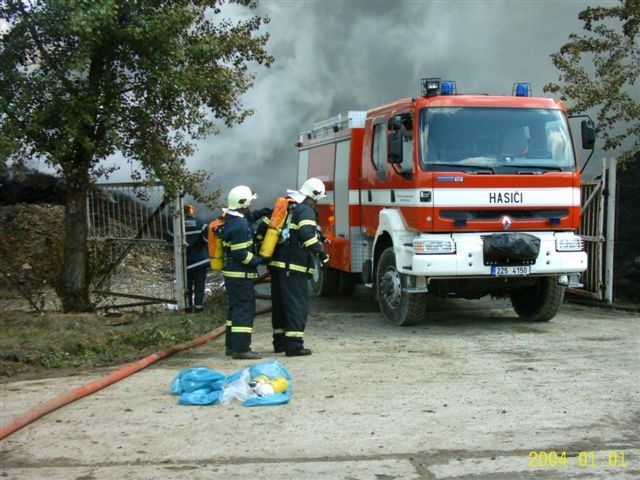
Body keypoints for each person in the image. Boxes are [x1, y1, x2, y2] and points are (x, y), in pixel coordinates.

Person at [268, 178, 329, 357]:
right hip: (294, 266)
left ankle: (279, 342)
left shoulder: (290, 206)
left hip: (279, 264)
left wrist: (320, 237)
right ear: (313, 196)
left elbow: (296, 232)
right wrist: (321, 253)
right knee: (297, 305)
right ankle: (294, 346)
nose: (317, 202)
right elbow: (306, 235)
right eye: (317, 199)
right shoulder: (306, 210)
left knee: (280, 305)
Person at [222, 185, 271, 360]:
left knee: (235, 311)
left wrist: (259, 214)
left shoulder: (231, 219)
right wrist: (260, 261)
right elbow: (241, 254)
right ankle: (242, 349)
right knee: (245, 310)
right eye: (249, 203)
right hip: (240, 276)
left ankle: (232, 346)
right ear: (243, 204)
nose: (251, 206)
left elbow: (246, 219)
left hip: (232, 275)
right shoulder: (241, 225)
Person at [167, 204, 209, 313]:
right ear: (191, 211)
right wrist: (200, 245)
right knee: (200, 284)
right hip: (201, 259)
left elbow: (168, 238)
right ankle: (199, 307)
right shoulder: (200, 222)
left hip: (185, 260)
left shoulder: (175, 225)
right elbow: (207, 235)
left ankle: (188, 306)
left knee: (187, 285)